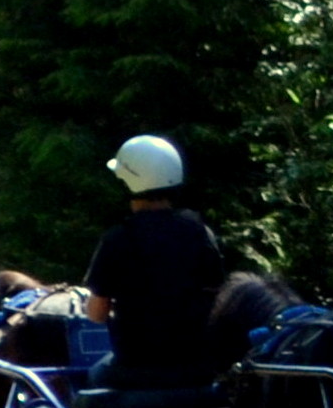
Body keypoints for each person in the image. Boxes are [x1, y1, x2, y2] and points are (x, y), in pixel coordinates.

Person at [82, 135, 230, 390]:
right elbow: (218, 297)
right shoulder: (200, 232)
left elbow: (96, 314)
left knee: (92, 376)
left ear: (129, 184)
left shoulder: (117, 238)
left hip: (134, 367)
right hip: (196, 367)